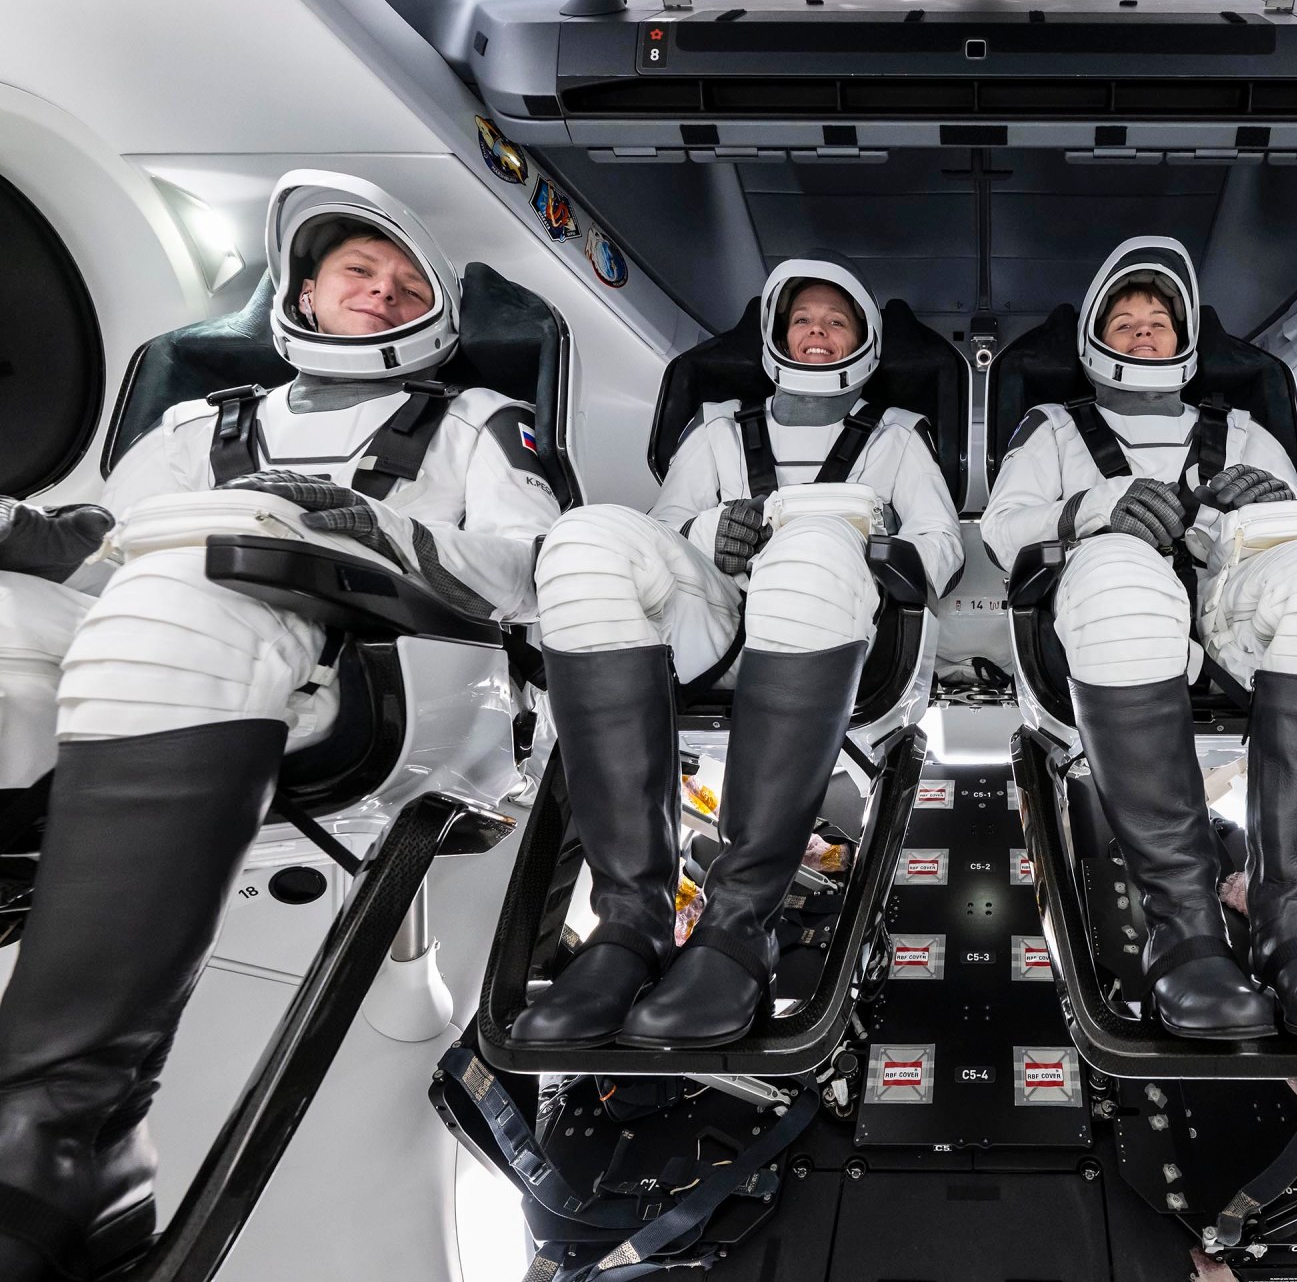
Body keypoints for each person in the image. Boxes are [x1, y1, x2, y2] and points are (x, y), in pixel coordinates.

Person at [0, 170, 560, 1281]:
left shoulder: (477, 423)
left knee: (190, 601)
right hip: (170, 613)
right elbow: (109, 542)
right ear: (304, 290)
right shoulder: (193, 423)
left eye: (406, 283)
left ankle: (74, 1122)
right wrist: (44, 537)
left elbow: (530, 564)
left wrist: (384, 530)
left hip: (400, 662)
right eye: (360, 272)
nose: (383, 292)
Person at [515, 255, 961, 1052]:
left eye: (835, 322)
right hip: (717, 627)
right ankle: (629, 926)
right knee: (586, 538)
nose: (817, 333)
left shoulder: (897, 441)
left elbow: (940, 549)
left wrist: (864, 540)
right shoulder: (718, 429)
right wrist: (704, 532)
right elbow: (660, 531)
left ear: (863, 343)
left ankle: (737, 929)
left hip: (839, 626)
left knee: (812, 545)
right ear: (776, 336)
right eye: (802, 321)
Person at [982, 237, 1297, 1042]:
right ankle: (1186, 932)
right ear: (1095, 338)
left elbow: (1296, 535)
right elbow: (1003, 530)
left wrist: (1263, 504)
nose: (1141, 332)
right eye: (1124, 318)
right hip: (1110, 619)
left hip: (1229, 611)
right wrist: (1095, 510)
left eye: (1157, 320)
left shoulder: (1243, 430)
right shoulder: (1052, 429)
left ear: (1182, 340)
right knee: (1121, 573)